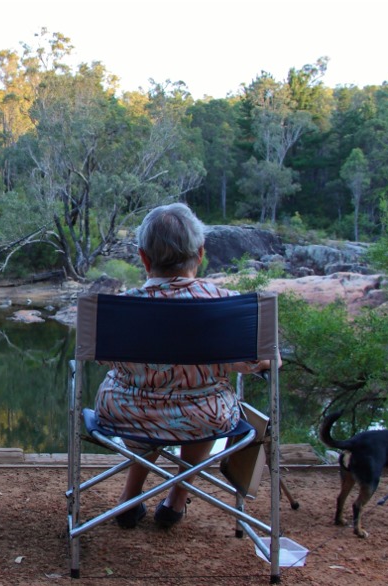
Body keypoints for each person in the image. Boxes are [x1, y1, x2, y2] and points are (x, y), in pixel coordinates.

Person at [94, 202, 278, 529]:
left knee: (145, 398)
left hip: (126, 414)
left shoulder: (119, 309)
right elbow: (266, 361)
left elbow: (105, 359)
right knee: (202, 400)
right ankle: (177, 498)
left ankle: (129, 498)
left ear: (144, 257)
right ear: (201, 253)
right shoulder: (227, 306)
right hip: (204, 418)